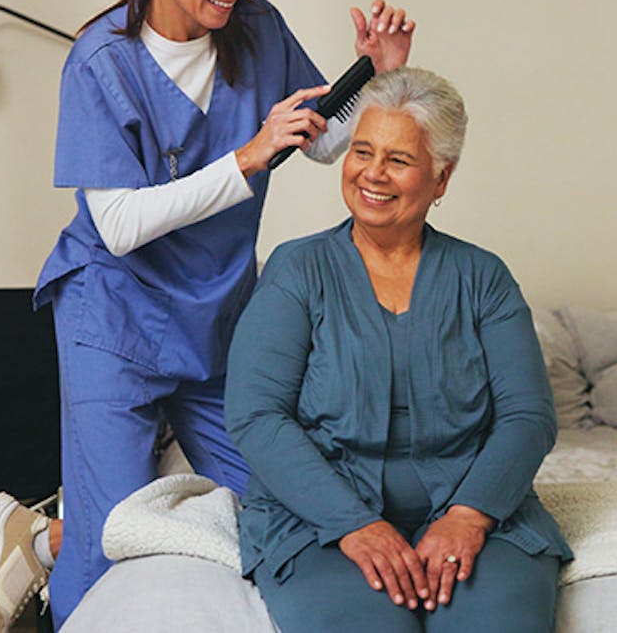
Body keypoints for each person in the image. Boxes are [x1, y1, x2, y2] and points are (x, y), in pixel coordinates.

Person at [0, 0, 415, 633]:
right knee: (114, 539)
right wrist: (246, 156)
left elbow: (315, 143)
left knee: (276, 500)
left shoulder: (255, 27)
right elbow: (117, 225)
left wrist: (375, 75)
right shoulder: (101, 61)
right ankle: (58, 547)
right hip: (113, 317)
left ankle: (45, 533)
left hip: (214, 315)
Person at [225, 68, 572, 633]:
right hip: (319, 519)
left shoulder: (483, 277)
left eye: (399, 160)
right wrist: (353, 523)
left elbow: (528, 415)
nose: (373, 173)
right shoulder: (298, 269)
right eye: (362, 151)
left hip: (472, 508)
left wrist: (468, 515)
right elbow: (255, 414)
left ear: (441, 179)